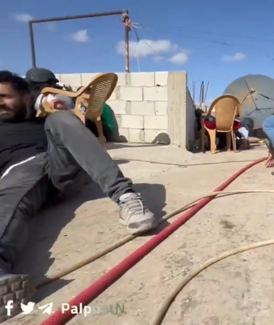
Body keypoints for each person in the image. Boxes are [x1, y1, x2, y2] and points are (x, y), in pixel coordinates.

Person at [0, 71, 158, 319]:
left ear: (26, 95)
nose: (0, 102)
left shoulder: (44, 116)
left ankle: (126, 196)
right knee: (12, 195)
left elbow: (51, 102)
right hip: (13, 175)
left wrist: (58, 106)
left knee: (61, 119)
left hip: (53, 167)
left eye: (5, 97)